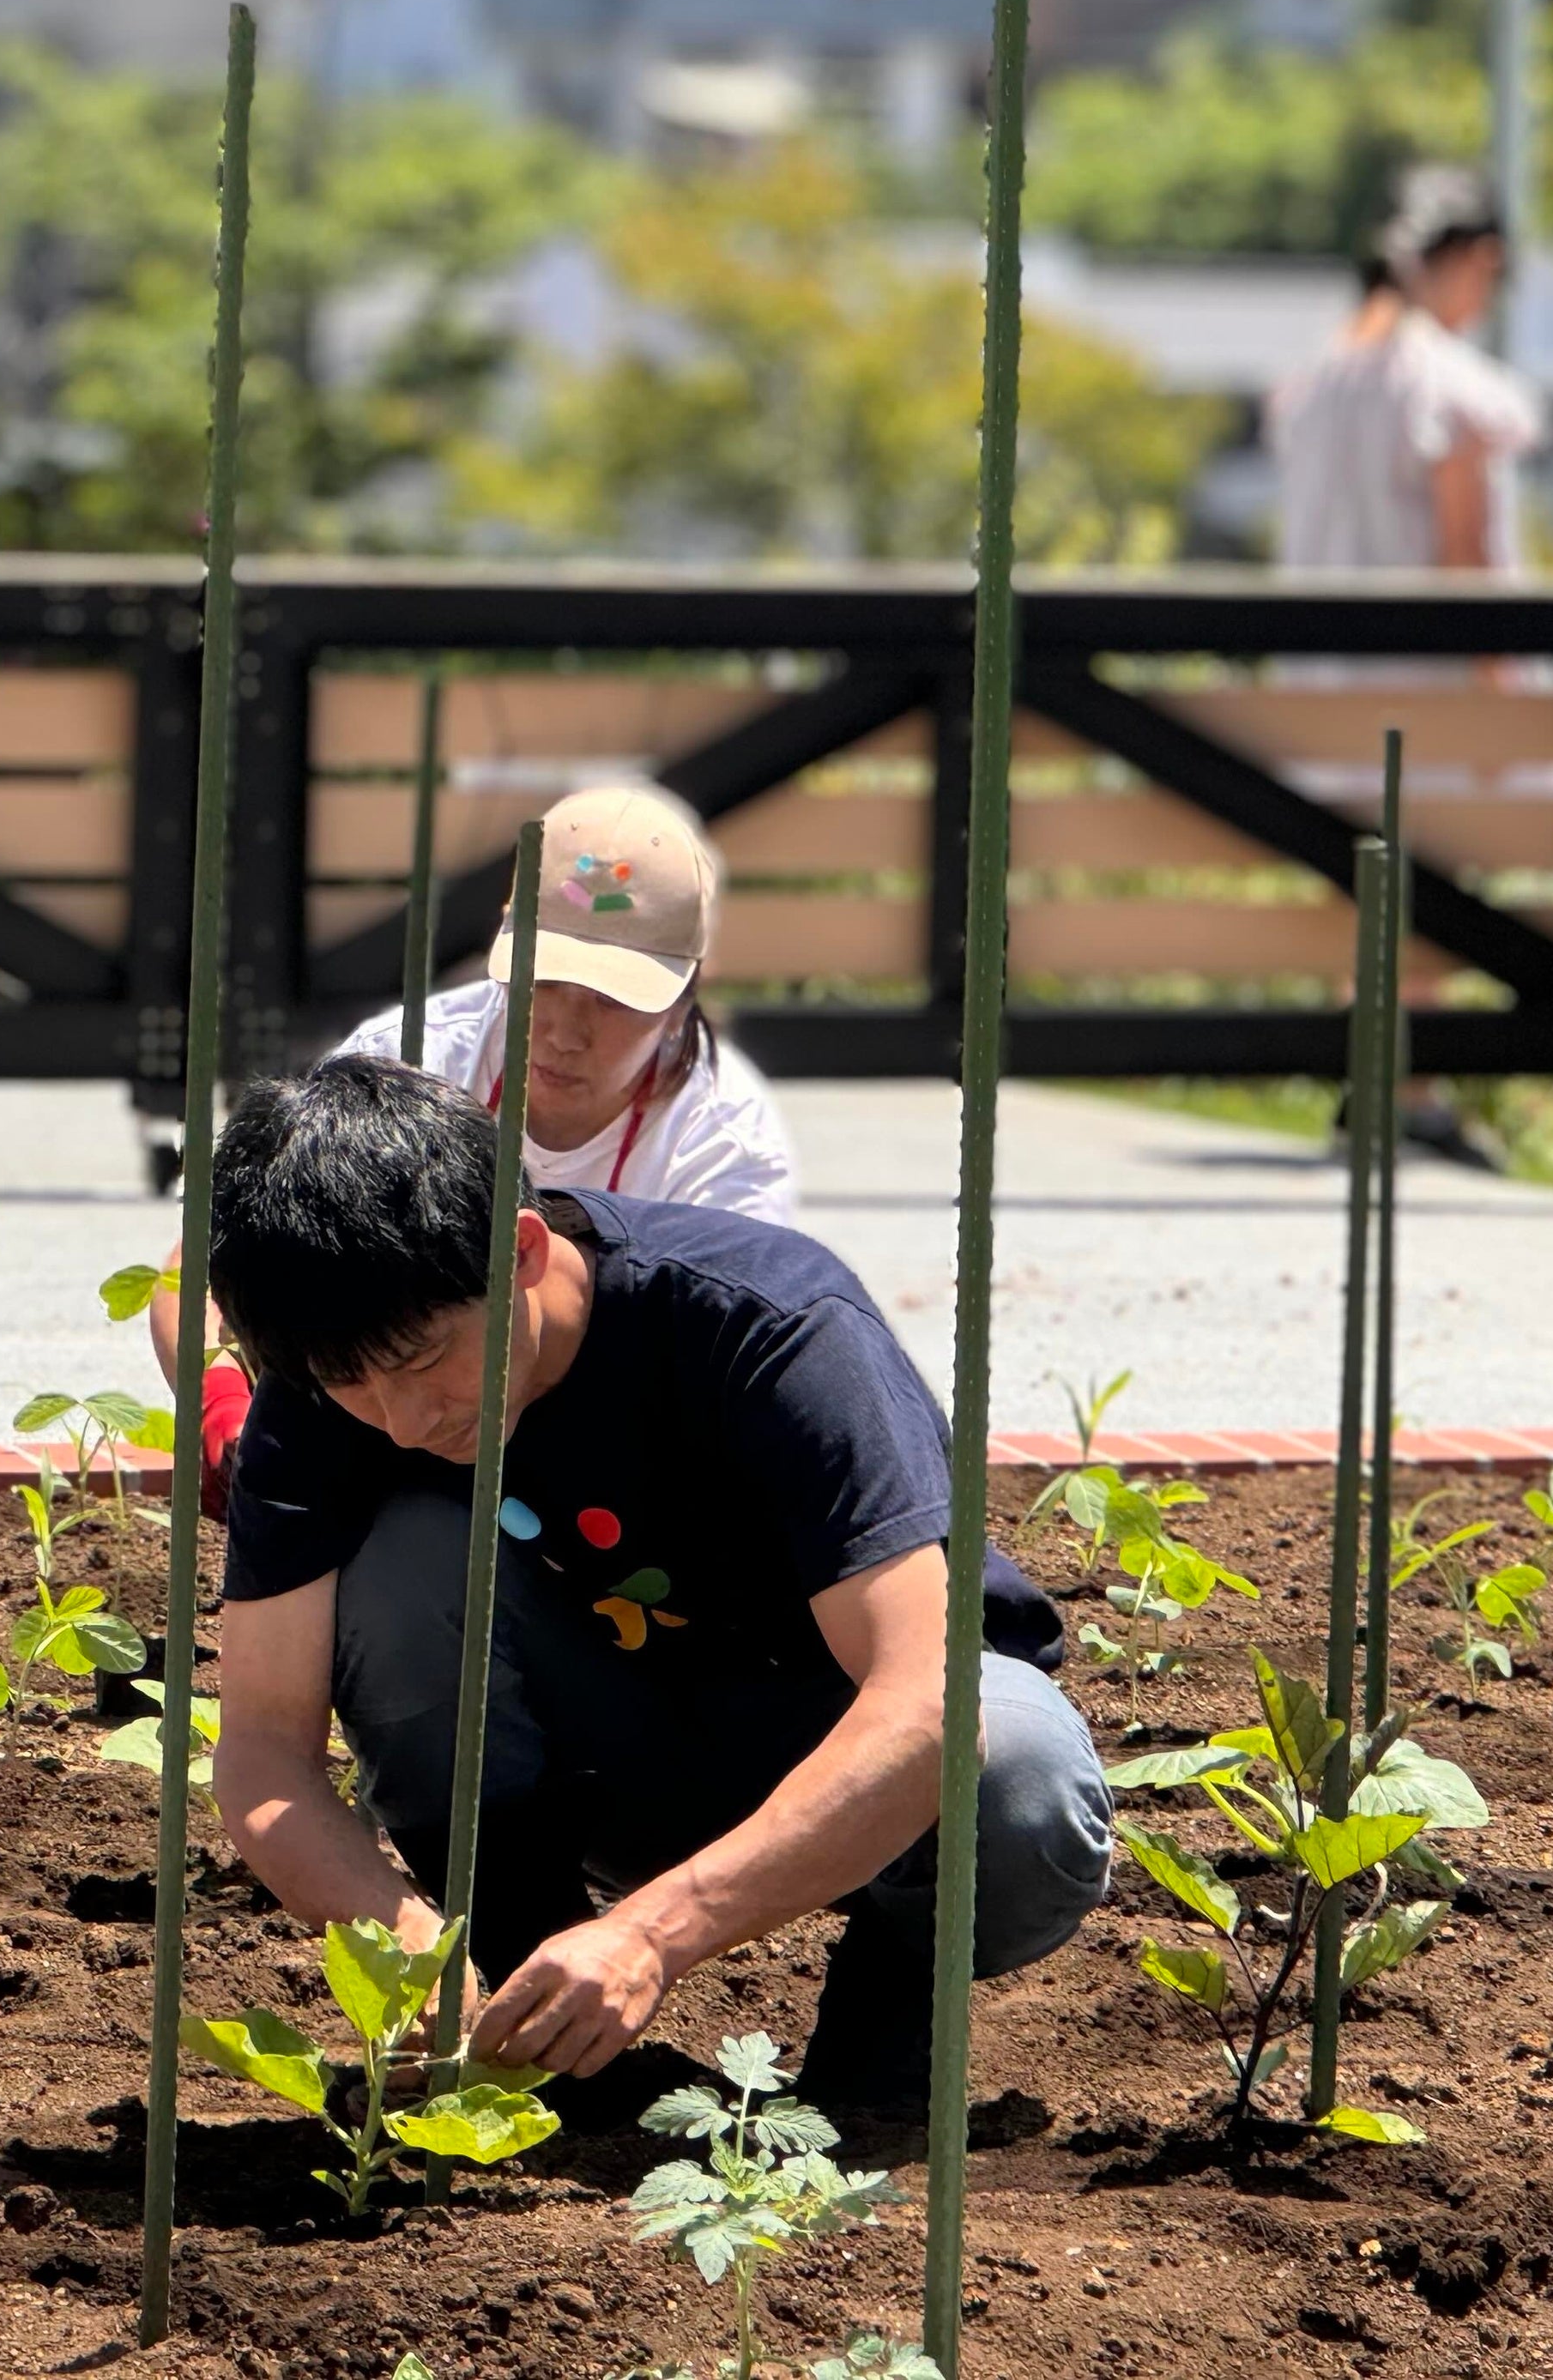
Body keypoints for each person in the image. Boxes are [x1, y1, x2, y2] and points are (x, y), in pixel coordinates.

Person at [202, 1057, 1112, 2114]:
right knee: (401, 1564)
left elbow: (925, 1708)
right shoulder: (327, 1394)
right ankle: (529, 2001)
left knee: (1020, 1780)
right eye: (351, 1387)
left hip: (846, 1752)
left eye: (426, 1360)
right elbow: (263, 1752)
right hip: (616, 1756)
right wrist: (404, 1945)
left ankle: (880, 2039)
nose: (403, 1420)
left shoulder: (766, 1325)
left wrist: (653, 1932)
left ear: (526, 1252)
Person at [153, 786, 797, 1505]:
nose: (563, 1030)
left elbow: (716, 1372)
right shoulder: (407, 1057)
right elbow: (203, 1264)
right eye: (543, 980)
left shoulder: (725, 1144)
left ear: (684, 995)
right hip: (385, 1439)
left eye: (612, 1000)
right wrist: (222, 1407)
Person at [1269, 165, 1550, 579]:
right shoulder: (1450, 386)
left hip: (1313, 641)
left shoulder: (1307, 383)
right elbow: (1468, 570)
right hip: (1417, 644)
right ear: (1480, 258)